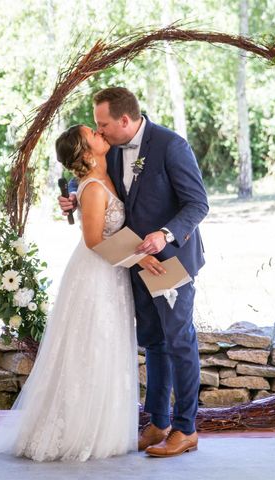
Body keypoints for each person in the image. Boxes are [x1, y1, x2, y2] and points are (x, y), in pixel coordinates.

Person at [0, 124, 161, 462]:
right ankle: (78, 431)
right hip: (96, 274)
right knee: (91, 345)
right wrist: (139, 257)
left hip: (112, 273)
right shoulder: (93, 188)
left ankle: (106, 428)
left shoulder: (107, 166)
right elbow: (93, 239)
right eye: (94, 134)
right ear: (87, 152)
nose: (102, 134)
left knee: (108, 345)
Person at [60, 87, 209, 457]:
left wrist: (165, 234)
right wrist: (69, 195)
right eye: (97, 126)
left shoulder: (171, 146)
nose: (101, 131)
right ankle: (157, 421)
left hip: (169, 260)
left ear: (124, 120)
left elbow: (198, 203)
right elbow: (85, 178)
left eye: (103, 124)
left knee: (178, 339)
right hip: (129, 261)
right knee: (153, 341)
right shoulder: (108, 150)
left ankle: (186, 429)